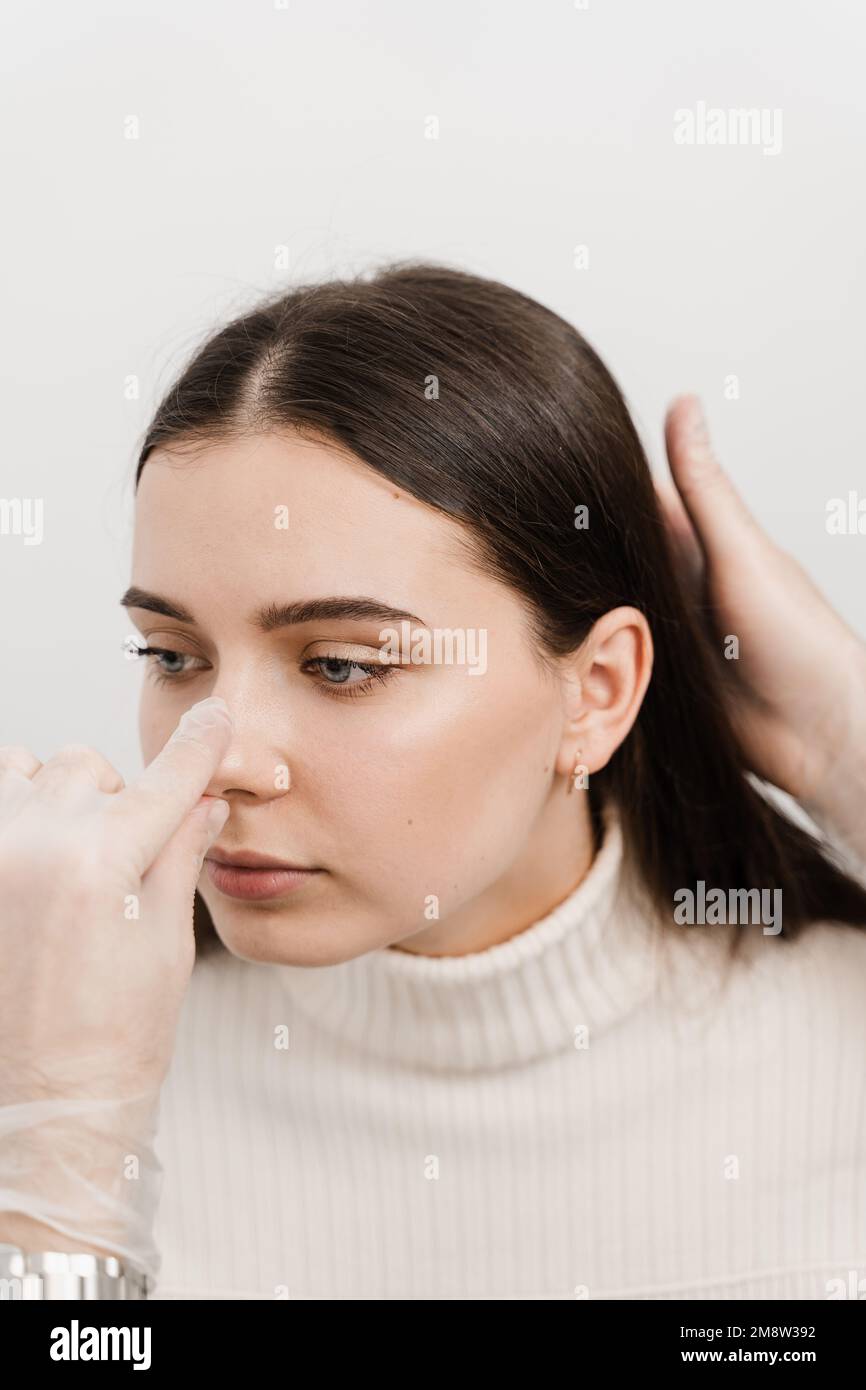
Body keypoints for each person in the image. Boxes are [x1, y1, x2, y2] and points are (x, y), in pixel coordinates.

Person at [1, 264, 864, 1301]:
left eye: (340, 666)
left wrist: (837, 736)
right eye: (172, 656)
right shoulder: (49, 1066)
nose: (220, 758)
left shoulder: (836, 1049)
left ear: (596, 689)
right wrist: (61, 1162)